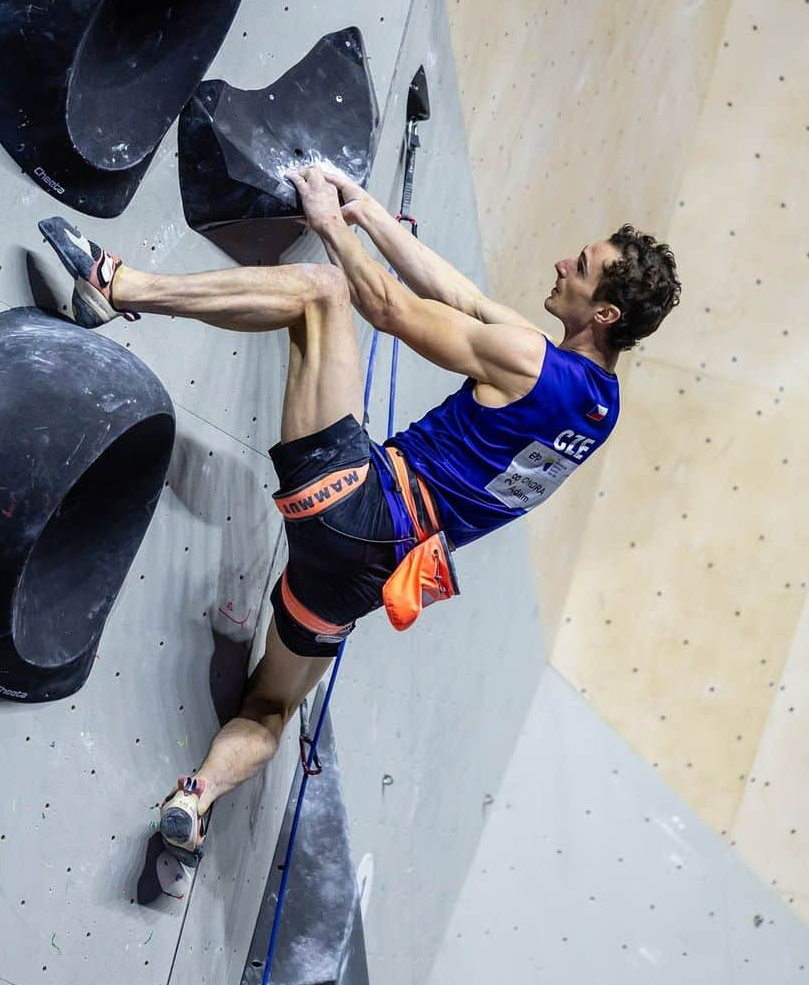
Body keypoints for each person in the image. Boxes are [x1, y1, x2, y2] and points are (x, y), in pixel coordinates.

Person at [40, 165, 681, 864]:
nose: (564, 262)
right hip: (371, 577)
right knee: (269, 708)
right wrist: (368, 209)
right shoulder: (598, 407)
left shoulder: (532, 361)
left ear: (604, 313)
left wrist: (328, 221)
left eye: (582, 267)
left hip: (358, 503)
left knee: (323, 292)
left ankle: (119, 286)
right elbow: (462, 297)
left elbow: (390, 308)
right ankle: (196, 797)